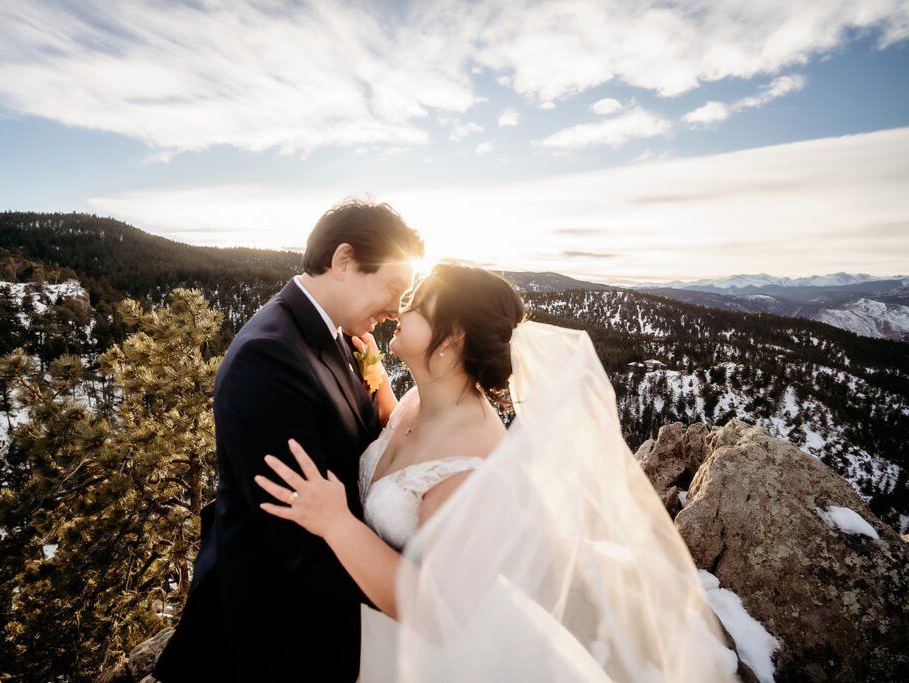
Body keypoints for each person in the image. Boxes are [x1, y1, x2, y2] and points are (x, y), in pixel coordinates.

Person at [255, 264, 741, 681]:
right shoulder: (417, 401)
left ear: (456, 335)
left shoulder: (469, 465)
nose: (400, 311)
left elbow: (433, 611)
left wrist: (337, 524)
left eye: (420, 305)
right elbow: (400, 457)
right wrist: (380, 386)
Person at [152, 199, 424, 682]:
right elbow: (297, 542)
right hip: (282, 624)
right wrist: (415, 597)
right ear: (343, 262)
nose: (395, 308)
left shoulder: (335, 332)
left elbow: (358, 437)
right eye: (393, 288)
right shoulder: (270, 357)